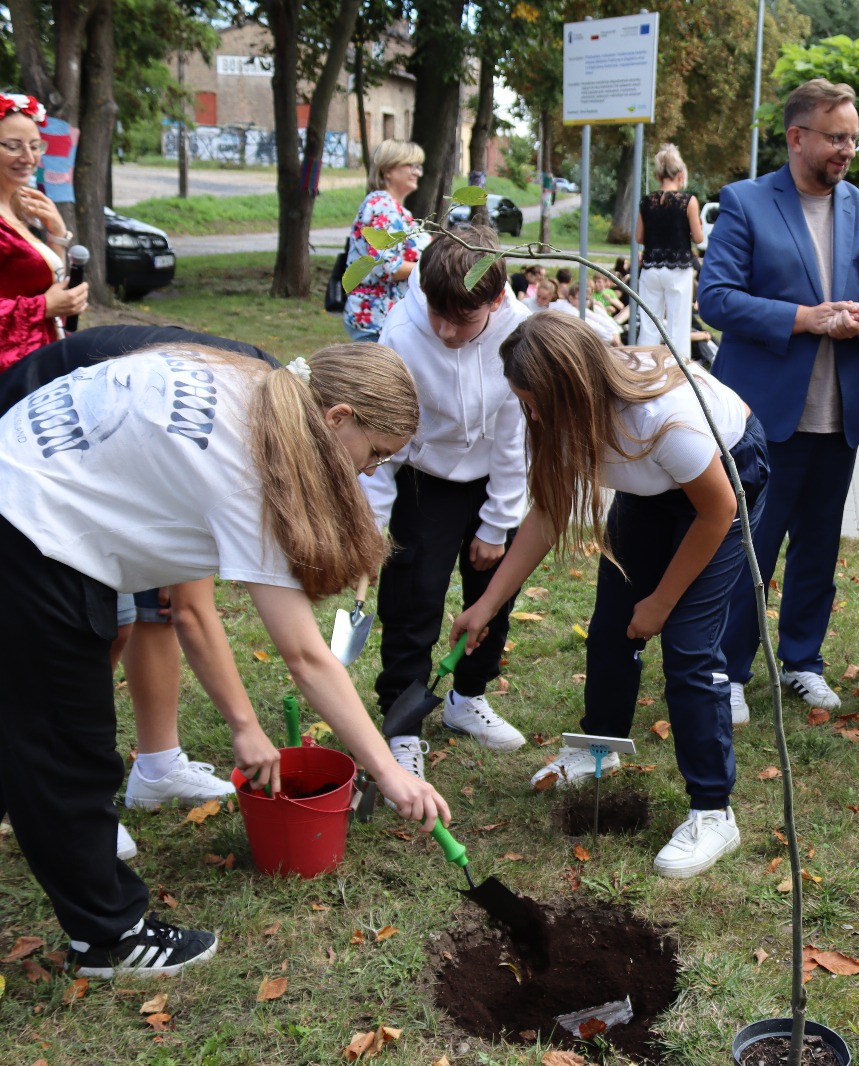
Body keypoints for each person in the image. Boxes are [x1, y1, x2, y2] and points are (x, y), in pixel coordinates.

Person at [0, 339, 450, 977]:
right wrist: (390, 772)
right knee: (69, 747)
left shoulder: (251, 379)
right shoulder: (252, 473)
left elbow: (191, 598)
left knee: (21, 723)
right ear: (337, 417)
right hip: (29, 527)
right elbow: (307, 656)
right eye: (374, 453)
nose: (373, 472)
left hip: (21, 472)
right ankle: (109, 938)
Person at [451, 313, 768, 879]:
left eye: (536, 404)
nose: (532, 417)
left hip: (724, 484)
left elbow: (716, 511)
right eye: (525, 404)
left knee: (690, 649)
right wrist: (487, 604)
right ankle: (599, 748)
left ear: (572, 390)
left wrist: (662, 602)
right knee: (611, 625)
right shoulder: (566, 412)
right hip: (654, 486)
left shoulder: (663, 421)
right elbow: (548, 513)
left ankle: (713, 811)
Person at [0, 325, 282, 857]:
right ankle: (61, 795)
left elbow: (177, 602)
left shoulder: (249, 402)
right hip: (34, 461)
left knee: (129, 621)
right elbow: (194, 613)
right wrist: (245, 727)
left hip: (115, 454)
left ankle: (153, 768)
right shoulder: (223, 446)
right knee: (70, 643)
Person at [700, 77, 859, 720]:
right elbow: (716, 299)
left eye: (854, 138)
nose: (847, 149)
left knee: (818, 550)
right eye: (836, 137)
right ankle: (728, 670)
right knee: (750, 551)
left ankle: (803, 662)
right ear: (797, 138)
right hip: (763, 417)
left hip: (840, 415)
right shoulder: (744, 202)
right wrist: (804, 319)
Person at [366, 229, 532, 784]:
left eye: (462, 320)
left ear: (495, 301)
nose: (445, 331)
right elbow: (381, 441)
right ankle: (403, 724)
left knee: (493, 595)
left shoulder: (518, 330)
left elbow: (513, 433)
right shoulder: (400, 336)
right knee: (413, 599)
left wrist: (497, 521)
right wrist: (371, 525)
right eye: (437, 314)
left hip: (494, 477)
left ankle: (468, 697)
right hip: (425, 479)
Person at [0, 93, 86, 373]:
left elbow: (42, 286)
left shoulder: (21, 209)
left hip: (38, 360)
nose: (28, 158)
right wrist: (44, 306)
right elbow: (42, 301)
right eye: (13, 146)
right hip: (12, 377)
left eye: (35, 146)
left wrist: (57, 235)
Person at [344, 139, 432, 341]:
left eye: (418, 167)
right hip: (377, 320)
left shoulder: (397, 209)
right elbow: (388, 267)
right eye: (410, 165)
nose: (417, 173)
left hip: (389, 319)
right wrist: (432, 267)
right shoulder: (381, 206)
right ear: (387, 170)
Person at [636, 144, 704, 357]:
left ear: (658, 175)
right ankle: (678, 370)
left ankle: (644, 367)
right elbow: (699, 238)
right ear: (681, 174)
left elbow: (639, 237)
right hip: (678, 268)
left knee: (648, 325)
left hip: (651, 267)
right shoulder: (688, 201)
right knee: (678, 327)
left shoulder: (647, 201)